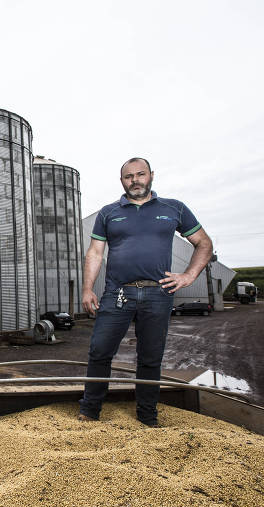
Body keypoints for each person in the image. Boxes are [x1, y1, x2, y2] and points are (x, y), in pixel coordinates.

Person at [78, 157, 213, 426]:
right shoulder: (108, 212)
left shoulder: (173, 208)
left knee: (151, 358)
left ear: (151, 175)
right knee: (100, 351)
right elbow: (95, 252)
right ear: (122, 181)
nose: (135, 180)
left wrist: (188, 276)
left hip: (158, 294)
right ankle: (90, 411)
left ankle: (147, 417)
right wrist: (87, 289)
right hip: (117, 293)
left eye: (140, 174)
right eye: (129, 177)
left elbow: (203, 243)